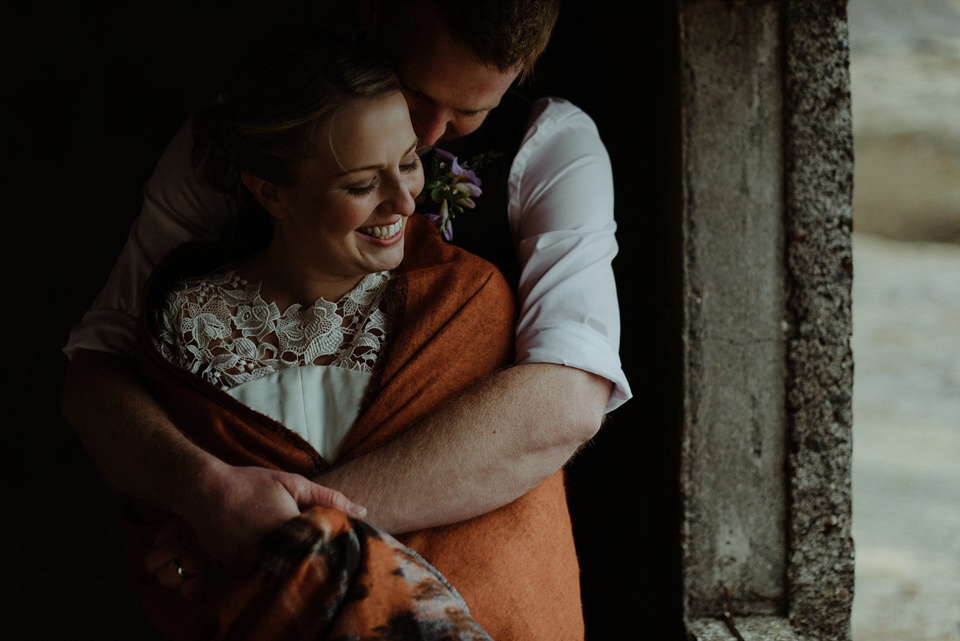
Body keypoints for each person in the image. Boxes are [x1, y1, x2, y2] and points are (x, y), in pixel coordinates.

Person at [62, 1, 630, 637]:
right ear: (376, 11)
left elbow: (568, 394)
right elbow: (100, 366)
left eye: (473, 110)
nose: (433, 133)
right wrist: (203, 491)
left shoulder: (551, 146)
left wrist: (275, 539)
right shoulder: (243, 134)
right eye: (415, 93)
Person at [124, 34, 529, 640]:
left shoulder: (462, 302)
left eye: (411, 162)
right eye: (362, 184)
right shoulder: (189, 324)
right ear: (271, 191)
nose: (402, 200)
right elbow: (157, 525)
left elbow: (504, 524)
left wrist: (263, 537)